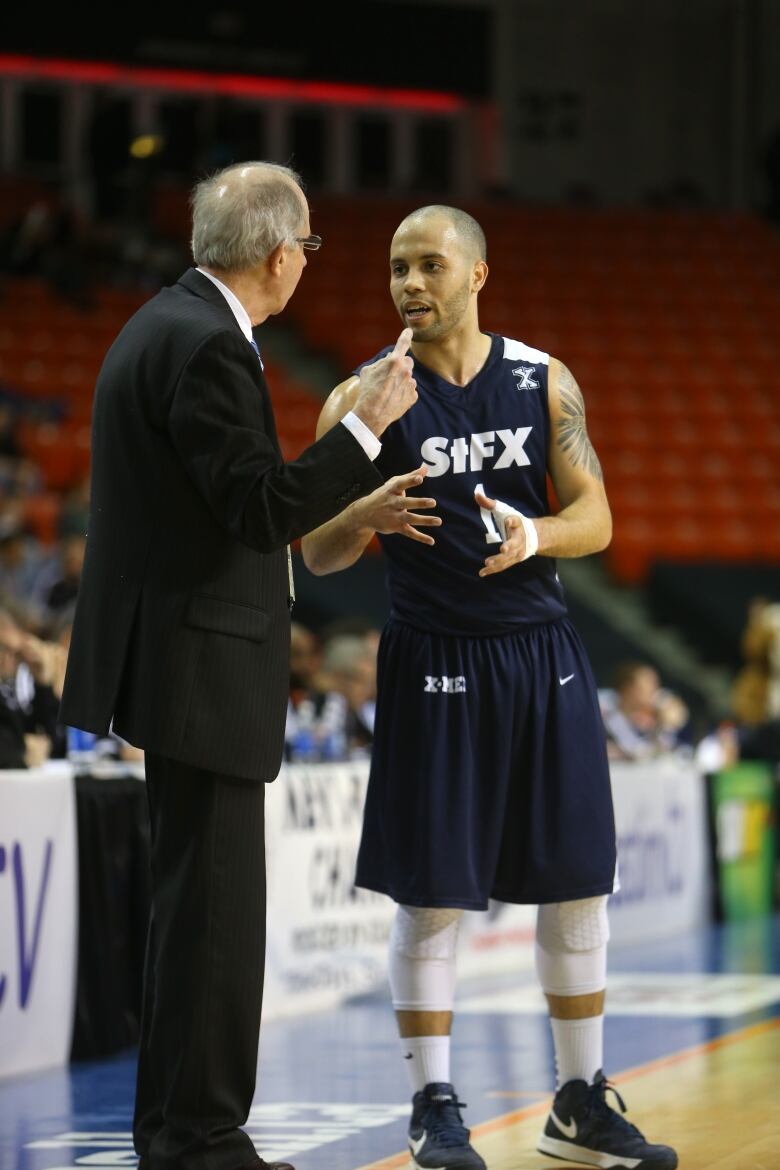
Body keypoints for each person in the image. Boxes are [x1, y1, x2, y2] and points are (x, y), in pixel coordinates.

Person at [59, 160, 424, 1170]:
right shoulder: (209, 346)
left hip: (175, 660)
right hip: (199, 670)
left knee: (194, 917)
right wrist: (368, 425)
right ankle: (203, 1141)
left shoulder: (162, 323)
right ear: (278, 256)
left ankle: (175, 1133)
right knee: (215, 923)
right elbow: (261, 509)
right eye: (307, 247)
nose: (308, 262)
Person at [302, 205, 678, 1170]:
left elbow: (595, 516)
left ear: (477, 275)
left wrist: (536, 535)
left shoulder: (542, 379)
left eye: (429, 264)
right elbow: (315, 551)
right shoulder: (362, 395)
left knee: (577, 884)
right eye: (396, 268)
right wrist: (369, 514)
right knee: (432, 899)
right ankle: (433, 1101)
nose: (409, 284)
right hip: (432, 658)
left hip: (542, 649)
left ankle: (580, 1100)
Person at [599, 661, 690, 762]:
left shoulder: (644, 716)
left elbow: (665, 746)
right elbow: (634, 749)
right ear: (628, 688)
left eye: (655, 684)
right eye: (647, 684)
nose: (654, 690)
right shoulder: (603, 706)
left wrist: (665, 725)